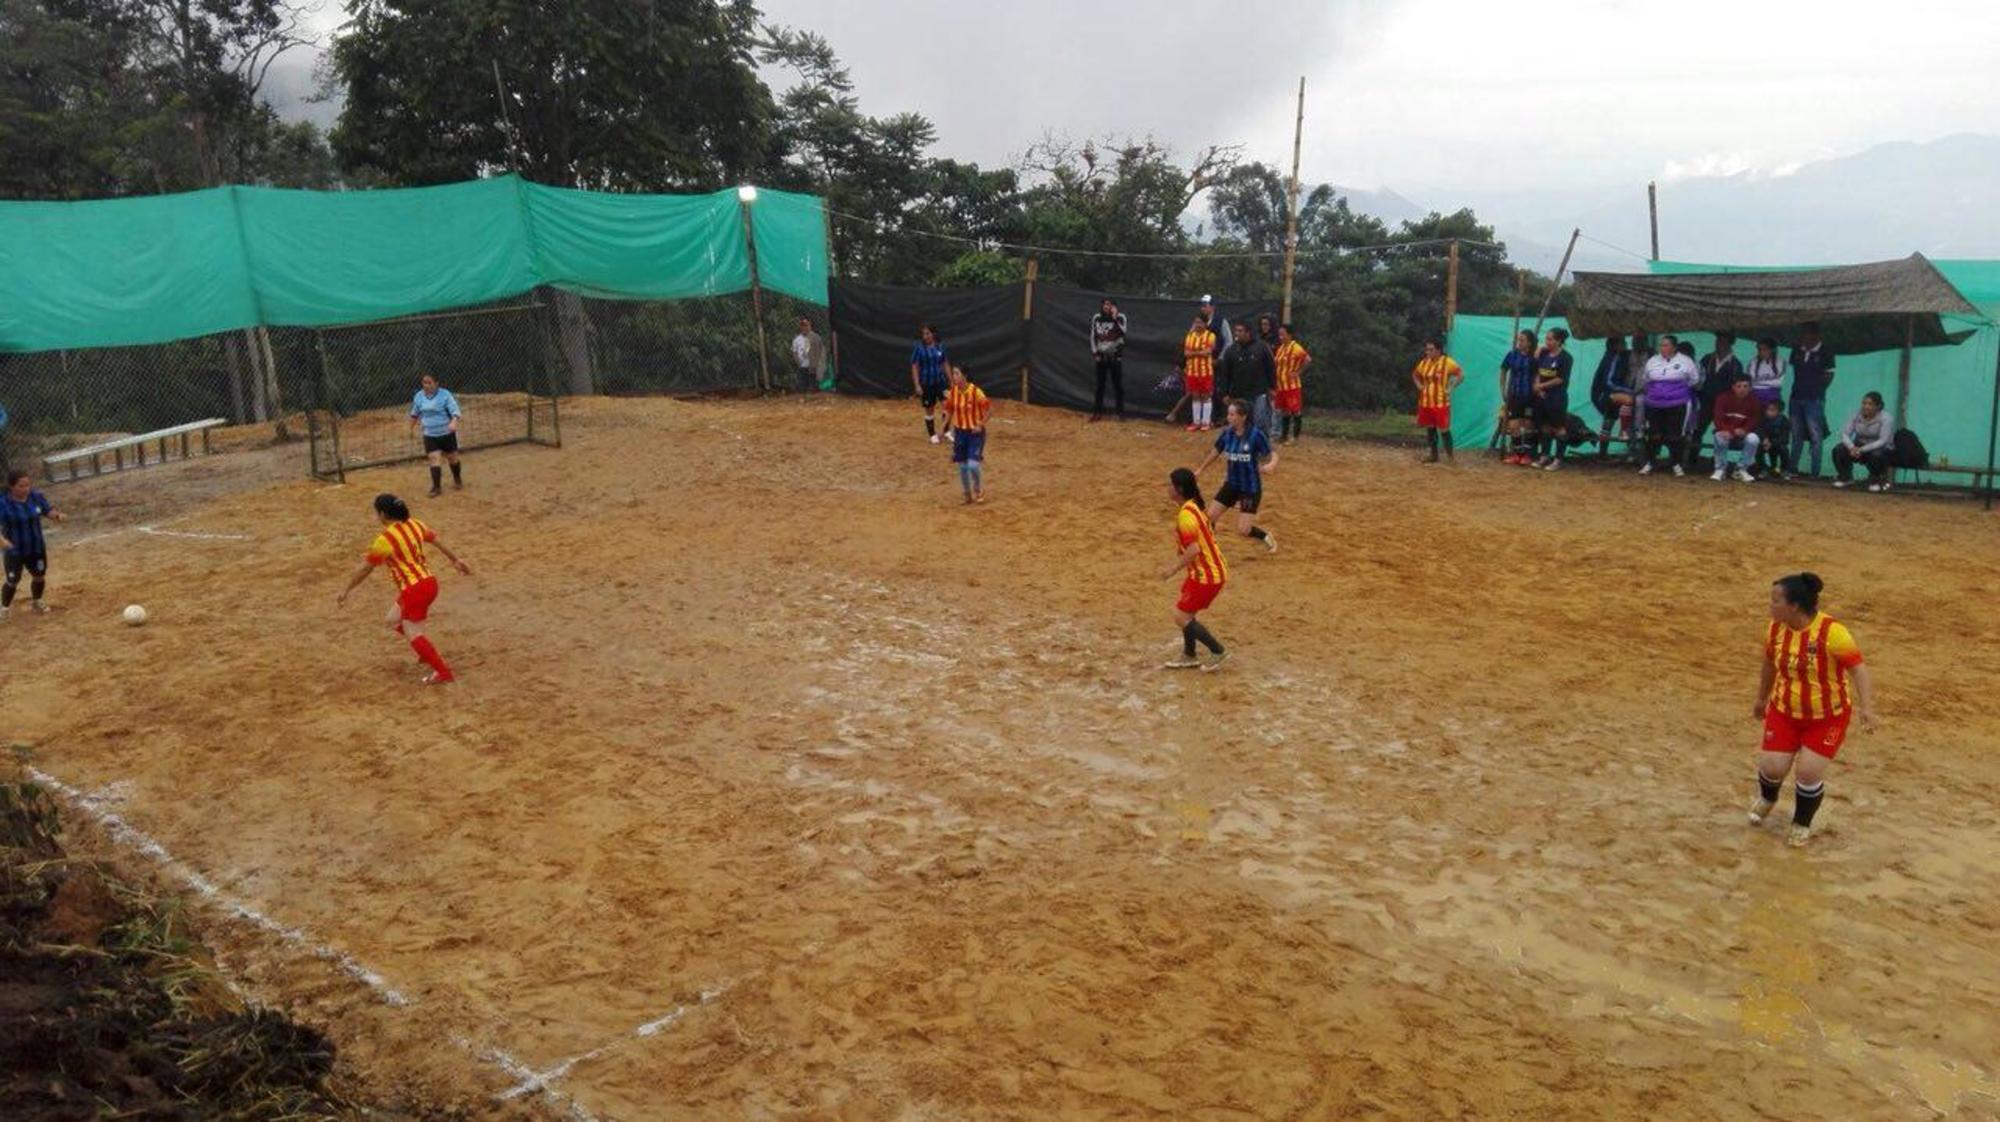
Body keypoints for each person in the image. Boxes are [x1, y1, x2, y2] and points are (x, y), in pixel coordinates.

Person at [1750, 572, 1878, 847]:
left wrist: (1867, 708)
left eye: (1775, 601)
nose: (1770, 605)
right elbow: (1769, 664)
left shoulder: (1833, 633)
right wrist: (1761, 698)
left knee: (1808, 772)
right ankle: (1768, 798)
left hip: (1827, 717)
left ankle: (1801, 823)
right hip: (1784, 711)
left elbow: (1858, 670)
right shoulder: (1774, 629)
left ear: (1794, 606)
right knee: (1772, 767)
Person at [337, 493, 472, 685]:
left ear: (382, 514)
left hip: (414, 590)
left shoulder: (385, 539)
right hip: (429, 583)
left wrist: (346, 589)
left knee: (413, 632)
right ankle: (424, 651)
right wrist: (455, 560)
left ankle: (442, 672)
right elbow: (437, 541)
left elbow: (366, 569)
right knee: (392, 620)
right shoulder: (416, 524)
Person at [1160, 467, 1228, 672]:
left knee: (1180, 616)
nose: (1167, 487)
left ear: (1179, 489)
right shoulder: (1193, 507)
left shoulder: (1186, 515)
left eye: (1170, 485)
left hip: (1206, 575)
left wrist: (1172, 570)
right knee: (1186, 613)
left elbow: (1194, 549)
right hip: (1207, 571)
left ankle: (1217, 650)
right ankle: (1189, 655)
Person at [1195, 398, 1278, 553]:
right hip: (1232, 484)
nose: (1229, 417)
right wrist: (1201, 469)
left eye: (1232, 415)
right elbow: (1216, 451)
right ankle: (1209, 547)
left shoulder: (1255, 435)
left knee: (1244, 530)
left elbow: (1272, 453)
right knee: (1209, 517)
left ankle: (1266, 536)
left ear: (1243, 416)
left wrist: (1271, 464)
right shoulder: (1227, 433)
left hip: (1250, 488)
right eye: (1228, 414)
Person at [0, 470, 63, 619]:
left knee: (39, 576)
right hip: (14, 550)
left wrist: (56, 516)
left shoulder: (35, 496)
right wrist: (2, 541)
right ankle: (4, 607)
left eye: (27, 485)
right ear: (11, 486)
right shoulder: (3, 503)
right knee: (13, 580)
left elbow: (47, 510)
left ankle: (37, 601)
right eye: (21, 486)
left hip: (36, 546)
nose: (26, 489)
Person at [1638, 334, 1699, 476]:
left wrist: (1675, 390)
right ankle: (1649, 463)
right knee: (1653, 434)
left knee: (1675, 435)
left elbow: (1694, 380)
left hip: (1678, 403)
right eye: (1661, 345)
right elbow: (1645, 379)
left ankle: (1676, 464)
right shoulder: (1652, 361)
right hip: (1654, 403)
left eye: (1666, 345)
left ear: (1674, 347)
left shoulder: (1686, 361)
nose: (1662, 348)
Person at [1787, 323, 1837, 478]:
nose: (1804, 338)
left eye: (1807, 335)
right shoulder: (1797, 349)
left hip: (1814, 399)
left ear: (1816, 336)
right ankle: (1792, 469)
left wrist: (1818, 390)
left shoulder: (1826, 351)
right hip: (1796, 396)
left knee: (1816, 435)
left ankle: (1815, 472)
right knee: (1796, 434)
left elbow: (1829, 375)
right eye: (1803, 335)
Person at [1690, 333, 1743, 472]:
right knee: (1697, 429)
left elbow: (1736, 387)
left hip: (1724, 404)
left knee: (1722, 432)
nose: (1719, 344)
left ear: (1730, 344)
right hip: (1705, 400)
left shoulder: (1736, 364)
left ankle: (1718, 461)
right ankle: (1692, 459)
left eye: (1723, 341)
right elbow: (1699, 378)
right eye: (1718, 341)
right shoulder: (1707, 359)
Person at [942, 363, 992, 503]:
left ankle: (978, 489)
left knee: (973, 465)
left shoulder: (976, 392)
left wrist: (980, 425)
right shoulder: (953, 392)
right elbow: (949, 410)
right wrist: (943, 428)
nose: (954, 376)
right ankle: (967, 495)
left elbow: (989, 411)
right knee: (963, 467)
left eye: (957, 373)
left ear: (965, 375)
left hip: (974, 433)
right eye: (953, 373)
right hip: (960, 433)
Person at [1216, 322, 1275, 437]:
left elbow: (1270, 367)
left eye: (1240, 331)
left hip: (1259, 392)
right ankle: (1242, 444)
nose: (1237, 334)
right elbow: (1225, 374)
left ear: (1248, 333)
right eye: (1236, 331)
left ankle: (1262, 444)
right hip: (1238, 393)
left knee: (1260, 420)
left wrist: (1272, 387)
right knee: (1239, 423)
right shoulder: (1231, 350)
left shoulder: (1262, 347)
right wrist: (1225, 393)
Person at [408, 374, 463, 498]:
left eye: (430, 383)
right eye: (424, 383)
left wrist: (454, 421)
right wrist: (410, 428)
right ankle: (436, 487)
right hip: (430, 434)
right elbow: (414, 413)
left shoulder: (445, 395)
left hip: (446, 433)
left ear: (436, 383)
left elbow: (455, 410)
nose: (427, 385)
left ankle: (457, 478)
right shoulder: (419, 396)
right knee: (434, 459)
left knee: (452, 458)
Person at [1412, 336, 1464, 463]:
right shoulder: (1424, 362)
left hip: (1441, 402)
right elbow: (1415, 375)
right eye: (1427, 350)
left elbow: (1461, 375)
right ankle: (1433, 455)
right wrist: (1419, 386)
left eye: (1431, 349)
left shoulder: (1447, 362)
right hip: (1426, 402)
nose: (1428, 352)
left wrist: (1450, 388)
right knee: (1430, 428)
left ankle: (1451, 457)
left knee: (1444, 429)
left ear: (1439, 350)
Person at [1832, 391, 1897, 492]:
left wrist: (1862, 449)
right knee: (1838, 450)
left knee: (1877, 455)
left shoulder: (1886, 418)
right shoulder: (1856, 414)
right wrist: (1851, 447)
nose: (1865, 406)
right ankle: (1846, 478)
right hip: (1858, 447)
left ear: (1878, 406)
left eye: (1870, 404)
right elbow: (1844, 433)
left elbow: (1883, 441)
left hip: (1881, 449)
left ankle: (1876, 480)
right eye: (1864, 403)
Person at [1531, 327, 1574, 470]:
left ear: (1559, 341)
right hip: (1541, 397)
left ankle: (1558, 460)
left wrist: (1541, 386)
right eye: (1546, 339)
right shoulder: (1543, 354)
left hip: (1556, 398)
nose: (1547, 342)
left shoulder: (1566, 357)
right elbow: (1537, 371)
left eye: (1550, 339)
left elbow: (1560, 379)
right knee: (1544, 427)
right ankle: (1544, 456)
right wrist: (1537, 387)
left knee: (1558, 428)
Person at [1709, 373, 1762, 482]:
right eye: (1739, 386)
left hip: (1743, 434)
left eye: (1745, 386)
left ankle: (1741, 470)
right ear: (1733, 387)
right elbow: (1718, 419)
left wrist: (1745, 430)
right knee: (1719, 436)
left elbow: (1754, 420)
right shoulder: (1722, 398)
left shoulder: (1755, 401)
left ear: (1750, 388)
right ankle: (1720, 469)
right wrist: (1730, 431)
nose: (1742, 389)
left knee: (1754, 439)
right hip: (1726, 432)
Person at [1589, 335, 1636, 453]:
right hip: (1603, 395)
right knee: (1629, 400)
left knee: (1609, 420)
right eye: (1623, 342)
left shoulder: (1624, 355)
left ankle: (1603, 453)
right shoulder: (1612, 357)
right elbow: (1608, 382)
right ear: (1615, 345)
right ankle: (1624, 431)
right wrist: (1629, 390)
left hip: (1611, 393)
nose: (1626, 345)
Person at [1499, 329, 1537, 464]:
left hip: (1530, 396)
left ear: (1529, 343)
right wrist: (1503, 389)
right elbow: (1503, 370)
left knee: (1527, 424)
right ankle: (1516, 453)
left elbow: (1539, 375)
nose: (1519, 343)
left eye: (1522, 340)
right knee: (1514, 424)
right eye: (1518, 340)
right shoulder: (1512, 355)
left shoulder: (1534, 357)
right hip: (1514, 394)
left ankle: (1526, 455)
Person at [1089, 297, 1128, 422]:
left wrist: (1115, 318)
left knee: (1118, 386)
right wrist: (1095, 353)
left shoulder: (1121, 317)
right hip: (1101, 356)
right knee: (1100, 386)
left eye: (1109, 304)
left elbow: (1123, 332)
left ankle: (1120, 413)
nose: (1106, 306)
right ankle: (1097, 412)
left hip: (1115, 356)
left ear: (1114, 306)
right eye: (1105, 304)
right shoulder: (1097, 317)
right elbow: (1092, 336)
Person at [909, 324, 950, 443]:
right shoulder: (919, 348)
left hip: (940, 381)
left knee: (947, 405)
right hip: (926, 383)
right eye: (923, 334)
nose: (925, 336)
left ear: (933, 334)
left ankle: (946, 431)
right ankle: (932, 434)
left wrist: (951, 380)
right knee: (929, 408)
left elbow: (945, 363)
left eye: (928, 333)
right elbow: (915, 366)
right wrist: (917, 385)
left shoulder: (939, 346)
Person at [1272, 323, 1311, 444]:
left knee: (1295, 410)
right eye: (1279, 334)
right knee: (1284, 410)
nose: (1280, 337)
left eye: (1283, 334)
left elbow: (1307, 359)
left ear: (1289, 335)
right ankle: (1284, 436)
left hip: (1292, 386)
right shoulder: (1281, 348)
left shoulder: (1296, 347)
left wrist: (1298, 372)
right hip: (1281, 386)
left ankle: (1295, 437)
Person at [1179, 311, 1219, 431]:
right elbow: (1186, 353)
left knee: (1206, 396)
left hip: (1205, 371)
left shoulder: (1211, 336)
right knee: (1195, 396)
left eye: (1200, 322)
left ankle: (1206, 422)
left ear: (1205, 323)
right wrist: (1199, 352)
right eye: (1196, 322)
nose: (1198, 325)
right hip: (1192, 371)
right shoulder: (1190, 336)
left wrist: (1194, 353)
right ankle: (1196, 422)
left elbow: (1208, 352)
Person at [1757, 398, 1792, 479]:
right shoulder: (1763, 419)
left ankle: (1784, 470)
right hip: (1765, 444)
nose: (1768, 412)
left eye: (1772, 410)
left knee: (1784, 449)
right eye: (1767, 410)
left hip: (1777, 445)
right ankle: (1763, 469)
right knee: (1757, 448)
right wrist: (1764, 439)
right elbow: (1759, 430)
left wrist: (1772, 443)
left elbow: (1785, 439)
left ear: (1779, 412)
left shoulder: (1784, 421)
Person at [790, 316, 827, 394]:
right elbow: (794, 352)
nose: (805, 328)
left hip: (813, 367)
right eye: (803, 326)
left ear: (810, 326)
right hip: (803, 367)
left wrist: (819, 364)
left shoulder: (816, 337)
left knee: (813, 388)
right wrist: (799, 363)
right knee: (802, 387)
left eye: (806, 325)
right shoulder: (797, 339)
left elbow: (821, 351)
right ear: (800, 327)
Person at [1746, 337, 1786, 407]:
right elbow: (1750, 379)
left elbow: (1777, 382)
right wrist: (1766, 380)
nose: (1761, 352)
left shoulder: (1781, 362)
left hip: (1772, 393)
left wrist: (1758, 381)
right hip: (1755, 393)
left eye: (1764, 349)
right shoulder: (1753, 362)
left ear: (1772, 350)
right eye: (1759, 349)